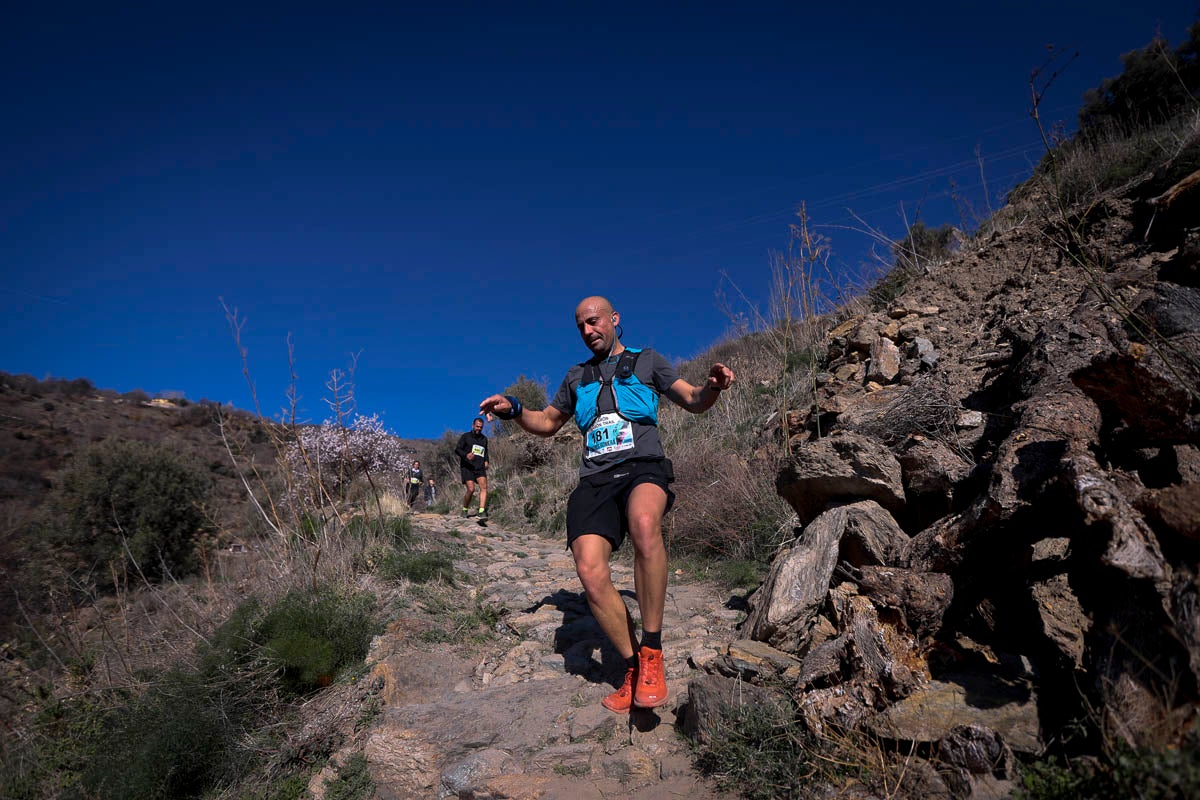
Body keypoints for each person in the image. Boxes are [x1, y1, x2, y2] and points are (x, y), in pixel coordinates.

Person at [479, 296, 734, 713]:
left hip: (642, 466)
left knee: (644, 522)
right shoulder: (576, 376)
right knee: (589, 567)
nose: (587, 331)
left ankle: (652, 651)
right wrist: (515, 409)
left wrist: (713, 387)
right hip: (595, 478)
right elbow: (547, 422)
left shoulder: (647, 360)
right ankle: (633, 667)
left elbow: (691, 398)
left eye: (593, 321)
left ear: (614, 319)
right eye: (580, 326)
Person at [455, 417, 490, 520]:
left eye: (481, 427)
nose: (478, 428)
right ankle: (465, 509)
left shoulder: (484, 439)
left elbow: (485, 451)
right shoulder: (465, 437)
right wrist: (466, 455)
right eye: (477, 426)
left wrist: (486, 460)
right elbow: (457, 449)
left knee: (483, 488)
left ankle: (481, 511)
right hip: (467, 466)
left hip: (480, 467)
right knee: (471, 489)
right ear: (473, 425)